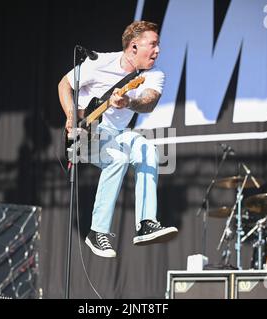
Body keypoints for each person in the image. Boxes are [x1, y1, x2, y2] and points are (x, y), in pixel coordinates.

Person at [58, 21, 178, 258]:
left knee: (148, 151)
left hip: (118, 133)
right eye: (153, 44)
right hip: (86, 132)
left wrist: (129, 102)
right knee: (118, 159)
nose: (158, 50)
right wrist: (71, 115)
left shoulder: (154, 74)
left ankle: (145, 223)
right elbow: (64, 84)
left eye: (158, 45)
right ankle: (97, 231)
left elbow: (149, 101)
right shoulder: (99, 62)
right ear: (134, 46)